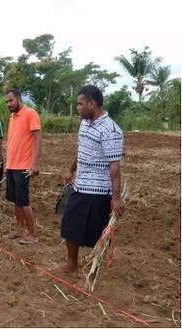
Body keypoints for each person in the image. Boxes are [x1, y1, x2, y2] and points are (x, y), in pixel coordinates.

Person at [55, 85, 124, 274]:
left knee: (97, 232)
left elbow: (115, 167)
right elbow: (82, 150)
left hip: (98, 190)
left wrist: (116, 198)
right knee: (70, 225)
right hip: (81, 185)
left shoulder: (111, 130)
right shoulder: (85, 123)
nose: (77, 107)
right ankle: (72, 265)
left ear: (92, 104)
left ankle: (94, 269)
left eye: (80, 104)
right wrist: (71, 170)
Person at [5, 89, 42, 244]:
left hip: (24, 166)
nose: (9, 104)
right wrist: (7, 164)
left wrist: (35, 164)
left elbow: (38, 139)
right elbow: (12, 141)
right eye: (6, 101)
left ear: (19, 98)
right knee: (15, 200)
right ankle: (20, 230)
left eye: (11, 100)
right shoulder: (12, 116)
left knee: (23, 201)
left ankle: (32, 233)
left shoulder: (31, 113)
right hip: (12, 165)